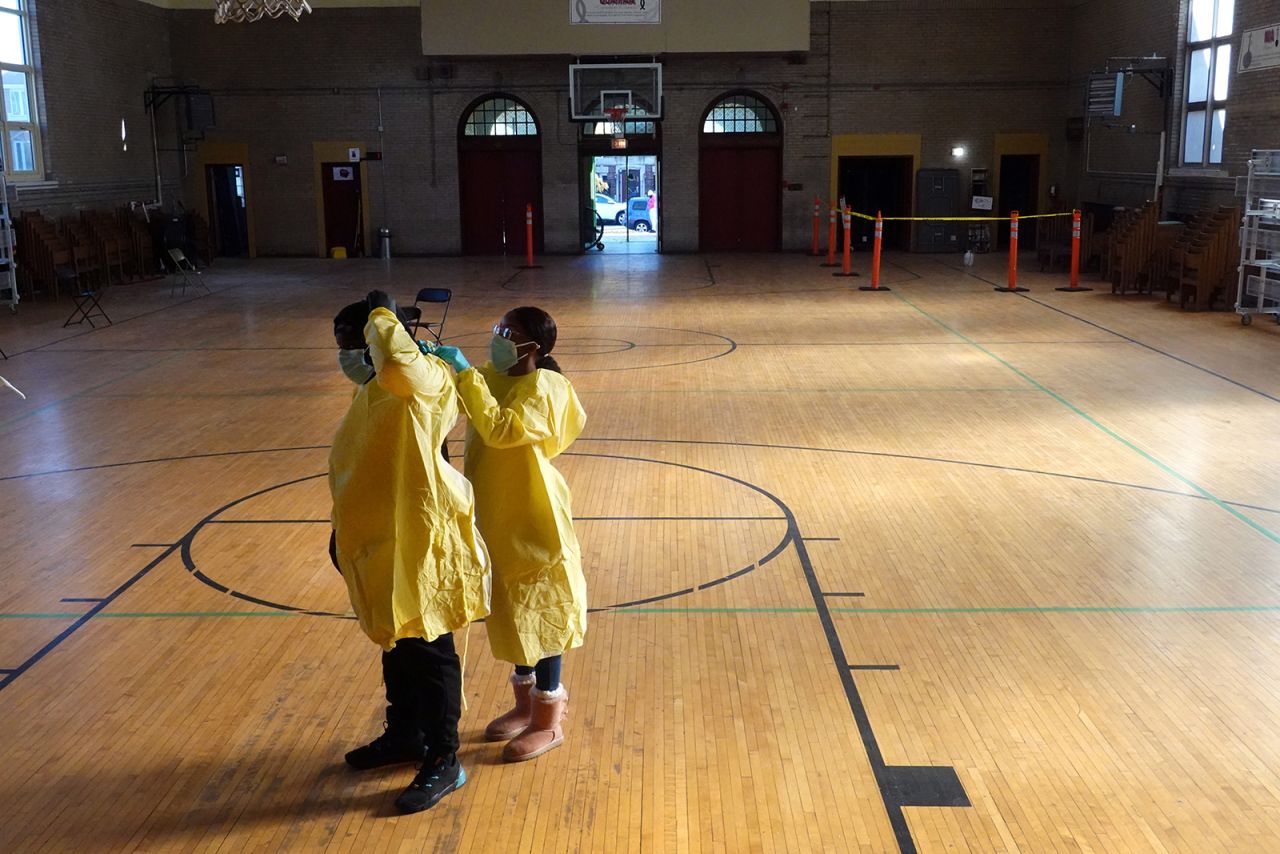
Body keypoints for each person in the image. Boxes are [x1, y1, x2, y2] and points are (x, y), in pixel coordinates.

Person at [329, 290, 490, 813]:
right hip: (381, 537)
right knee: (395, 639)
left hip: (421, 540)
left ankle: (445, 758)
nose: (348, 357)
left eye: (354, 345)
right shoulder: (377, 385)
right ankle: (405, 734)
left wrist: (382, 312)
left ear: (379, 339)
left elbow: (398, 359)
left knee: (429, 646)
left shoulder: (419, 376)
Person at [433, 307, 587, 763]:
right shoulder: (488, 376)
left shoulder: (546, 386)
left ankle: (548, 718)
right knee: (511, 610)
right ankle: (525, 706)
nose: (497, 336)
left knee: (542, 611)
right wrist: (433, 365)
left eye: (508, 333)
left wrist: (465, 374)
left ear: (532, 347)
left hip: (533, 514)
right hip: (493, 513)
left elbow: (502, 429)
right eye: (497, 328)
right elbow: (459, 395)